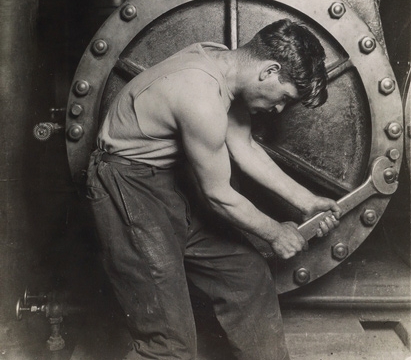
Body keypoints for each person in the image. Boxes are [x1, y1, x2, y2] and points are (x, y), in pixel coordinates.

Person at [86, 19, 342, 360]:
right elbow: (218, 194)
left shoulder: (223, 63)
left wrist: (306, 201)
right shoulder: (199, 94)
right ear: (269, 70)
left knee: (246, 277)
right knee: (170, 343)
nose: (279, 109)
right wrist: (275, 232)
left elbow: (244, 145)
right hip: (127, 188)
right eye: (284, 97)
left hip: (166, 182)